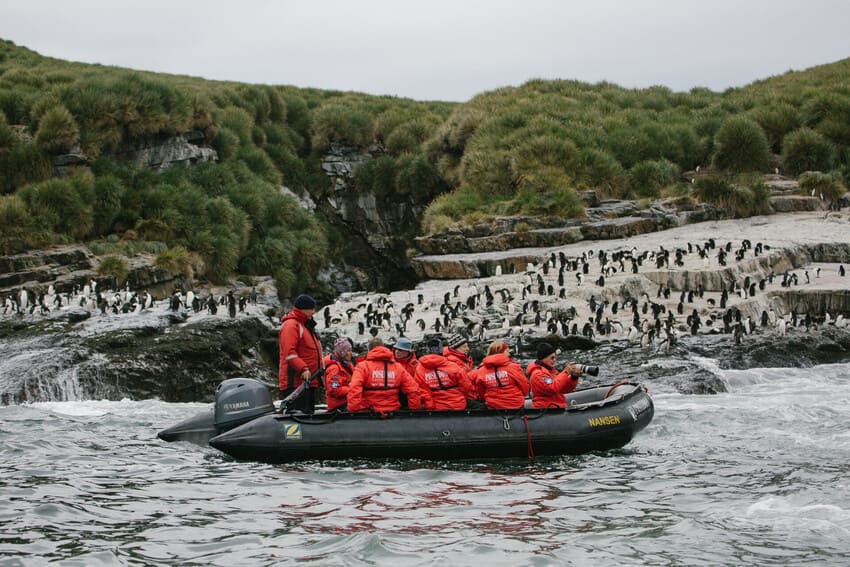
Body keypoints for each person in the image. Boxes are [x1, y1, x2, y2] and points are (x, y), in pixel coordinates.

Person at [347, 337, 422, 413]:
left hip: (369, 412)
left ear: (369, 350)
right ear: (383, 348)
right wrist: (413, 412)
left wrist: (354, 412)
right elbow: (413, 390)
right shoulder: (398, 367)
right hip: (393, 411)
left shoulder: (362, 366)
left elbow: (354, 389)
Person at [279, 294, 324, 413]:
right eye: (311, 309)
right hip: (295, 382)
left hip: (308, 381)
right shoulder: (291, 325)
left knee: (308, 417)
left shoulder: (306, 326)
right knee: (298, 418)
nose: (313, 312)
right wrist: (303, 368)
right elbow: (289, 352)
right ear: (303, 309)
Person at [415, 337, 476, 410]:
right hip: (458, 404)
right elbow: (466, 386)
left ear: (427, 350)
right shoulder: (453, 366)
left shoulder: (419, 369)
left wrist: (429, 407)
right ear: (441, 350)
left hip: (436, 407)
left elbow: (422, 391)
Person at [472, 340, 529, 410]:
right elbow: (525, 387)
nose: (509, 354)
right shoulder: (514, 367)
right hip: (516, 405)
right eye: (507, 351)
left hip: (493, 407)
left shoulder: (481, 370)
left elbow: (480, 391)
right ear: (502, 352)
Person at [526, 342, 582, 409]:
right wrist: (566, 372)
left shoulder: (550, 372)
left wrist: (574, 378)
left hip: (556, 407)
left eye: (555, 357)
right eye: (552, 358)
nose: (554, 360)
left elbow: (564, 389)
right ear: (544, 358)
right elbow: (552, 388)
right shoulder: (538, 374)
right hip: (546, 410)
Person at [323, 337, 355, 412]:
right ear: (342, 352)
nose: (351, 353)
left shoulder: (346, 366)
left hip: (346, 402)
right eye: (348, 351)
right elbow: (335, 390)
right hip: (338, 406)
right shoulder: (334, 369)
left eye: (351, 350)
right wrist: (353, 389)